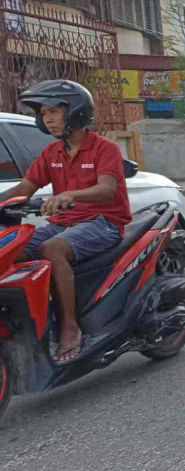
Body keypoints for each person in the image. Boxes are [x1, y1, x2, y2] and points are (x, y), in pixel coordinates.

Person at [1, 80, 132, 364]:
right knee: (14, 251)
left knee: (52, 249)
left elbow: (107, 189)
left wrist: (70, 194)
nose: (47, 119)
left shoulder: (103, 148)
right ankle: (31, 322)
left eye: (53, 112)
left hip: (103, 222)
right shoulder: (51, 153)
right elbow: (24, 189)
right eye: (43, 113)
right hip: (64, 224)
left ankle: (69, 327)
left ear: (75, 111)